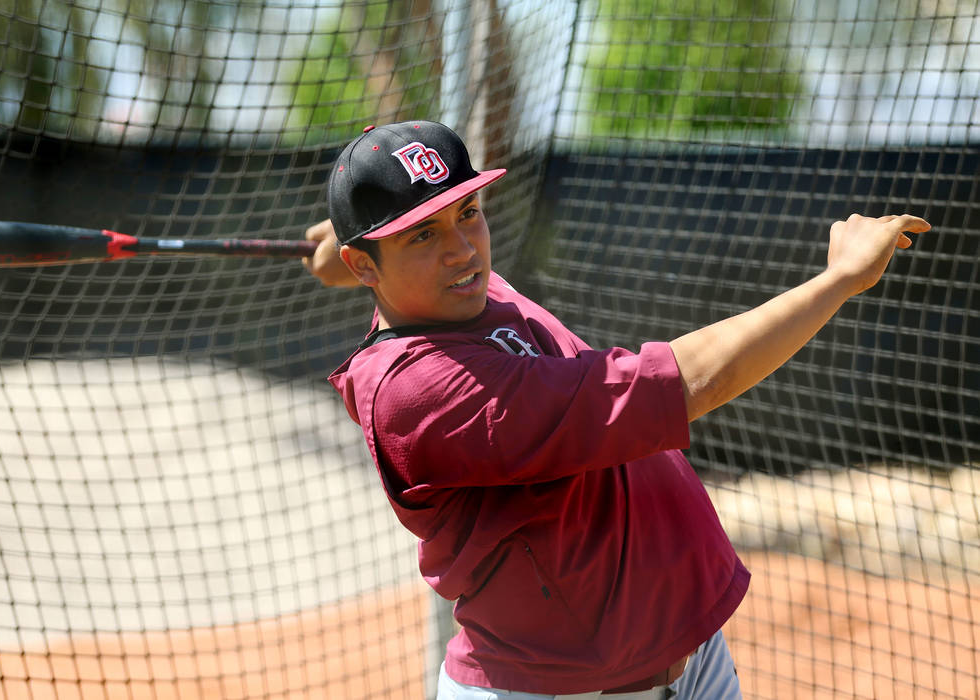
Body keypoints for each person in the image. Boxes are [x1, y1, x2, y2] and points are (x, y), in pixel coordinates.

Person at [302, 121, 929, 699]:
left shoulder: (457, 293)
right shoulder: (423, 393)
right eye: (423, 235)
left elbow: (423, 257)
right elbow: (696, 380)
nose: (463, 250)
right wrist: (839, 279)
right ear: (369, 265)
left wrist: (366, 247)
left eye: (467, 212)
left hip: (685, 656)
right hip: (557, 688)